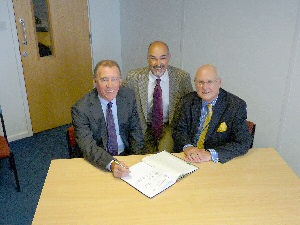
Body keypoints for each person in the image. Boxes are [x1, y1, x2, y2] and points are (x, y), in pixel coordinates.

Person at [71, 60, 145, 178]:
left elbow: (136, 131)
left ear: (120, 81)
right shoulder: (81, 108)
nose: (110, 85)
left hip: (127, 156)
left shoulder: (129, 97)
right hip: (99, 160)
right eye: (104, 79)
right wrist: (111, 164)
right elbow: (88, 146)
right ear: (95, 81)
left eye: (114, 79)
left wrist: (135, 159)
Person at [173, 64, 252, 163]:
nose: (205, 87)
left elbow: (243, 143)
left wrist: (210, 154)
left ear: (219, 82)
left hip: (214, 162)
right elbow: (178, 130)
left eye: (209, 82)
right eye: (200, 82)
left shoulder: (235, 106)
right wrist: (188, 148)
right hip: (187, 157)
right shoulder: (187, 101)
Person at [123, 41, 193, 153]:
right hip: (142, 126)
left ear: (169, 57)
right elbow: (123, 105)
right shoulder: (133, 78)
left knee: (163, 157)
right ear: (147, 58)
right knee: (141, 157)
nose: (158, 63)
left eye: (162, 58)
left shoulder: (182, 78)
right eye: (153, 58)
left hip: (168, 126)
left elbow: (190, 107)